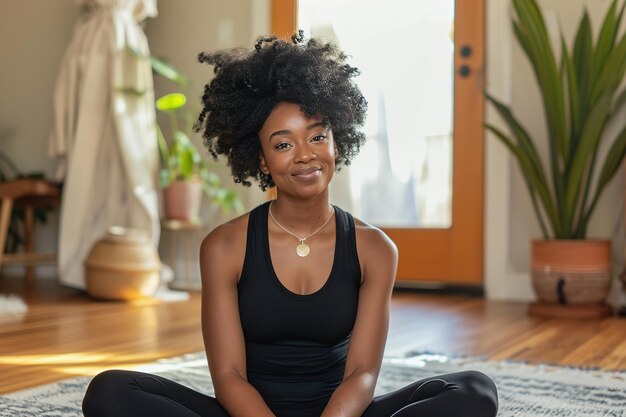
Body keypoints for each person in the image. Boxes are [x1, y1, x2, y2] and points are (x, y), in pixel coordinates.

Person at [82, 32, 498, 417]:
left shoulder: (375, 249)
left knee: (475, 391)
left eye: (317, 136)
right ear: (261, 160)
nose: (305, 155)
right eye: (283, 144)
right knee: (110, 391)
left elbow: (362, 375)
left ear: (337, 141)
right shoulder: (225, 246)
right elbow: (228, 377)